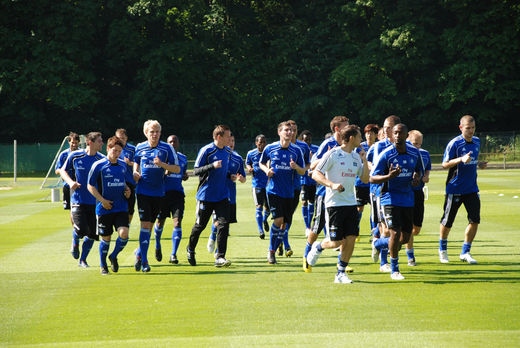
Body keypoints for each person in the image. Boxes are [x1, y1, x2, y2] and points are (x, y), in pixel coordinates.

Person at [306, 125, 369, 283]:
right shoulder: (333, 154)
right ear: (352, 138)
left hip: (351, 203)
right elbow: (315, 173)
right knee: (336, 241)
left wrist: (364, 159)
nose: (362, 140)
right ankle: (318, 246)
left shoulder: (356, 157)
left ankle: (340, 273)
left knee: (351, 238)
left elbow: (365, 179)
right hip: (334, 204)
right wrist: (332, 184)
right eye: (360, 137)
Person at [370, 123, 423, 280]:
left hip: (407, 199)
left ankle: (378, 244)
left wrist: (416, 178)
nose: (398, 136)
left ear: (407, 136)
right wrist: (388, 177)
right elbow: (372, 177)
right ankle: (395, 270)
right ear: (391, 135)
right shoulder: (387, 154)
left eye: (401, 133)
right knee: (394, 233)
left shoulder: (414, 153)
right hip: (389, 198)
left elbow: (419, 169)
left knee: (405, 238)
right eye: (395, 133)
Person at [303, 116, 349, 272]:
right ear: (337, 129)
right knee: (317, 227)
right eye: (345, 126)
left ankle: (342, 263)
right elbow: (312, 166)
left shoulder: (348, 145)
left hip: (343, 195)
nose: (348, 128)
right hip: (325, 193)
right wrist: (326, 157)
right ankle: (306, 256)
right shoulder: (327, 144)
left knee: (346, 230)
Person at [133, 120, 180, 273]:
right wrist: (135, 172)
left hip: (159, 193)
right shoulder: (139, 147)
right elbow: (136, 163)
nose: (154, 134)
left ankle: (139, 253)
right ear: (146, 133)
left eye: (157, 132)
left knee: (150, 226)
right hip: (143, 192)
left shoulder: (167, 149)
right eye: (152, 132)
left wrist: (162, 165)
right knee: (145, 226)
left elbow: (177, 168)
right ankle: (145, 262)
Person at [439, 115, 486, 264]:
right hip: (455, 188)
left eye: (473, 128)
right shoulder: (454, 144)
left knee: (475, 220)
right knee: (447, 222)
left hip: (472, 188)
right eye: (468, 128)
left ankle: (465, 252)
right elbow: (444, 164)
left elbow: (472, 160)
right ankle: (443, 250)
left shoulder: (477, 141)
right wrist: (460, 159)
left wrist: (479, 164)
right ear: (461, 128)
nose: (471, 131)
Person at [259, 121, 306, 264]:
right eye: (286, 130)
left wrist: (295, 166)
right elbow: (261, 163)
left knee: (284, 225)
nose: (290, 133)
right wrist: (267, 171)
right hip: (273, 191)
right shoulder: (270, 148)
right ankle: (271, 252)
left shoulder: (297, 150)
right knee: (278, 220)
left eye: (291, 130)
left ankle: (275, 246)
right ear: (279, 132)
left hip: (290, 192)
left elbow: (303, 171)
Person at [187, 125, 233, 267]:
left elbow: (223, 171)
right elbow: (195, 171)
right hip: (206, 196)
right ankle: (190, 249)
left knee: (224, 225)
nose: (230, 139)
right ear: (219, 137)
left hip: (222, 196)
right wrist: (212, 165)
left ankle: (220, 257)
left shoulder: (227, 151)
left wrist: (229, 175)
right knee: (200, 225)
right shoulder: (206, 150)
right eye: (227, 136)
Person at [59, 132, 105, 267]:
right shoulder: (75, 156)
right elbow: (62, 170)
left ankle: (83, 260)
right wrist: (70, 182)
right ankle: (75, 241)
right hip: (78, 199)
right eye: (99, 141)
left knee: (92, 234)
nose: (102, 143)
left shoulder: (101, 159)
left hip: (94, 202)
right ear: (90, 142)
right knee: (81, 230)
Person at [87, 136, 131, 275]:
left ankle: (113, 256)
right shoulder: (98, 165)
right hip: (104, 208)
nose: (117, 153)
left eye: (119, 151)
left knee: (124, 234)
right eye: (114, 150)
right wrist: (102, 200)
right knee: (106, 239)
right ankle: (103, 264)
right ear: (108, 148)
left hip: (121, 207)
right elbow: (90, 186)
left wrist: (127, 189)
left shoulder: (123, 165)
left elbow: (122, 181)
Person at [368, 115, 401, 273]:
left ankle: (376, 241)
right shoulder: (378, 146)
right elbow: (370, 164)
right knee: (386, 229)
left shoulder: (405, 147)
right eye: (385, 127)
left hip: (400, 193)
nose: (385, 130)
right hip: (380, 192)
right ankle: (384, 262)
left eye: (389, 127)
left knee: (402, 233)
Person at [207, 134, 246, 254]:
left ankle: (219, 251)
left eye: (233, 140)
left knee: (225, 225)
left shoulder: (237, 158)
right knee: (218, 222)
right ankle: (213, 236)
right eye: (229, 140)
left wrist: (240, 179)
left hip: (230, 196)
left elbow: (244, 178)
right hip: (216, 194)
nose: (231, 142)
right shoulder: (217, 155)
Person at [153, 135, 189, 265]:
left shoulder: (183, 158)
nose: (173, 143)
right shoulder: (161, 158)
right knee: (159, 222)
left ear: (178, 143)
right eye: (170, 142)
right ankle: (157, 244)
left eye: (175, 141)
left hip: (177, 195)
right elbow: (155, 175)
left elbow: (183, 173)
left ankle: (173, 254)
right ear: (167, 144)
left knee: (177, 222)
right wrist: (164, 173)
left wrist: (184, 176)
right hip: (162, 195)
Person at [279, 120, 310, 257]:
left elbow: (309, 164)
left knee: (288, 217)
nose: (292, 133)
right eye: (289, 130)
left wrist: (300, 168)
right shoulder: (278, 146)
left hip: (297, 185)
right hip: (279, 187)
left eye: (295, 131)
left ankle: (281, 239)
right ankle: (285, 243)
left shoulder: (302, 146)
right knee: (281, 218)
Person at [405, 130, 431, 266]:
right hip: (406, 193)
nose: (417, 147)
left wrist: (426, 175)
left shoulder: (424, 154)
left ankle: (394, 241)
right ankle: (410, 256)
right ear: (408, 140)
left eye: (419, 144)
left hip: (419, 193)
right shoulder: (405, 154)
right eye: (415, 144)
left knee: (416, 229)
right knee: (408, 227)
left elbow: (427, 168)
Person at [55, 132, 80, 258]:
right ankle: (76, 231)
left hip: (80, 187)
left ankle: (77, 232)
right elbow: (57, 169)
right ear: (69, 142)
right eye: (72, 142)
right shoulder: (64, 154)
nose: (74, 144)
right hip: (67, 186)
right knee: (72, 212)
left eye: (76, 142)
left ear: (79, 143)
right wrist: (63, 171)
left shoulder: (81, 153)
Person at [354, 124, 379, 241]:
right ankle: (355, 230)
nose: (369, 135)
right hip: (360, 182)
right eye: (367, 133)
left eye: (371, 133)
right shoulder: (359, 147)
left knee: (374, 209)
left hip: (373, 183)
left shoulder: (378, 147)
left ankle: (373, 232)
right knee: (359, 208)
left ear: (376, 135)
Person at [246, 134, 270, 239]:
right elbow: (247, 163)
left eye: (264, 142)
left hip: (269, 185)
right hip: (257, 184)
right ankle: (260, 230)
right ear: (256, 143)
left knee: (268, 209)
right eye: (260, 142)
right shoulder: (251, 153)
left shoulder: (269, 153)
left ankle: (264, 220)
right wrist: (249, 168)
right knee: (259, 206)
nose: (262, 144)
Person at [115, 128, 137, 226]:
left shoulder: (132, 149)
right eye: (119, 138)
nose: (121, 140)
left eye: (123, 138)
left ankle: (127, 225)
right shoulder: (113, 148)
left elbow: (139, 164)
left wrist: (130, 163)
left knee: (130, 208)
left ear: (126, 138)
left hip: (129, 182)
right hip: (116, 182)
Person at [299, 130, 319, 237]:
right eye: (306, 139)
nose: (308, 141)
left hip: (313, 180)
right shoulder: (300, 148)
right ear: (302, 139)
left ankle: (310, 225)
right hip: (303, 180)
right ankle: (307, 226)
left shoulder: (316, 149)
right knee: (303, 202)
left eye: (309, 139)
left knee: (312, 202)